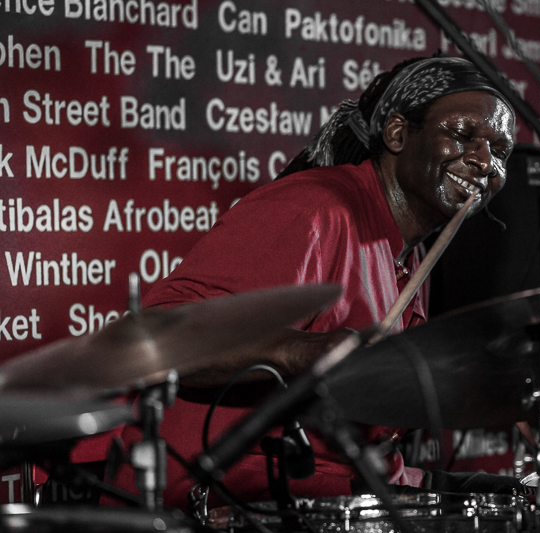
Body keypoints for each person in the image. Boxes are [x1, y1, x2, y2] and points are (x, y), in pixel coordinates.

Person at [107, 55, 518, 511]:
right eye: (463, 134)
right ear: (398, 134)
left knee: (518, 499)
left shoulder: (412, 250)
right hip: (224, 497)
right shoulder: (314, 209)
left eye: (501, 151)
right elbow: (150, 341)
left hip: (346, 487)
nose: (485, 162)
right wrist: (301, 351)